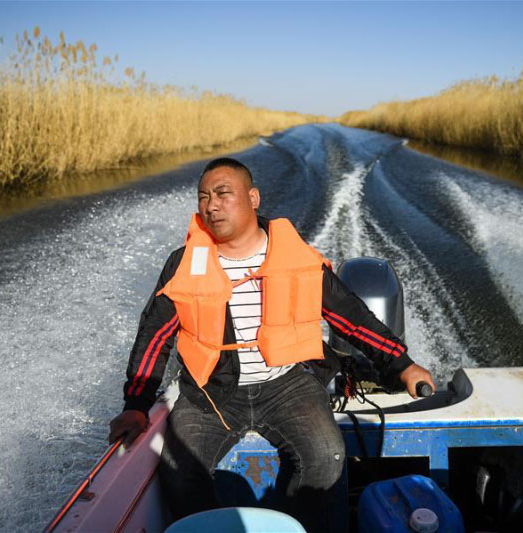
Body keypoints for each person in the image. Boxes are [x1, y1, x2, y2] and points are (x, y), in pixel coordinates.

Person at [108, 157, 435, 530]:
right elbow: (155, 335)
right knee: (180, 473)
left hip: (287, 385)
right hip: (211, 392)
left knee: (326, 458)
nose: (211, 205)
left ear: (253, 198)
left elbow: (351, 316)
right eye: (203, 197)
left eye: (222, 194)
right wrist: (136, 404)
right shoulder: (184, 263)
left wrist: (401, 364)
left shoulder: (294, 258)